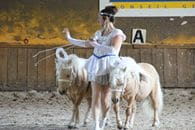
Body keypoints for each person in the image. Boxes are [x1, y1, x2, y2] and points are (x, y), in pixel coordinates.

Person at [63, 5, 126, 130]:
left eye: (99, 18)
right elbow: (86, 44)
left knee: (105, 98)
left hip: (109, 66)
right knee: (95, 96)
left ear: (106, 19)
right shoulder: (98, 33)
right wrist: (70, 38)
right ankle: (96, 125)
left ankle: (103, 120)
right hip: (96, 65)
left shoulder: (117, 33)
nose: (98, 21)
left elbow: (114, 51)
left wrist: (96, 44)